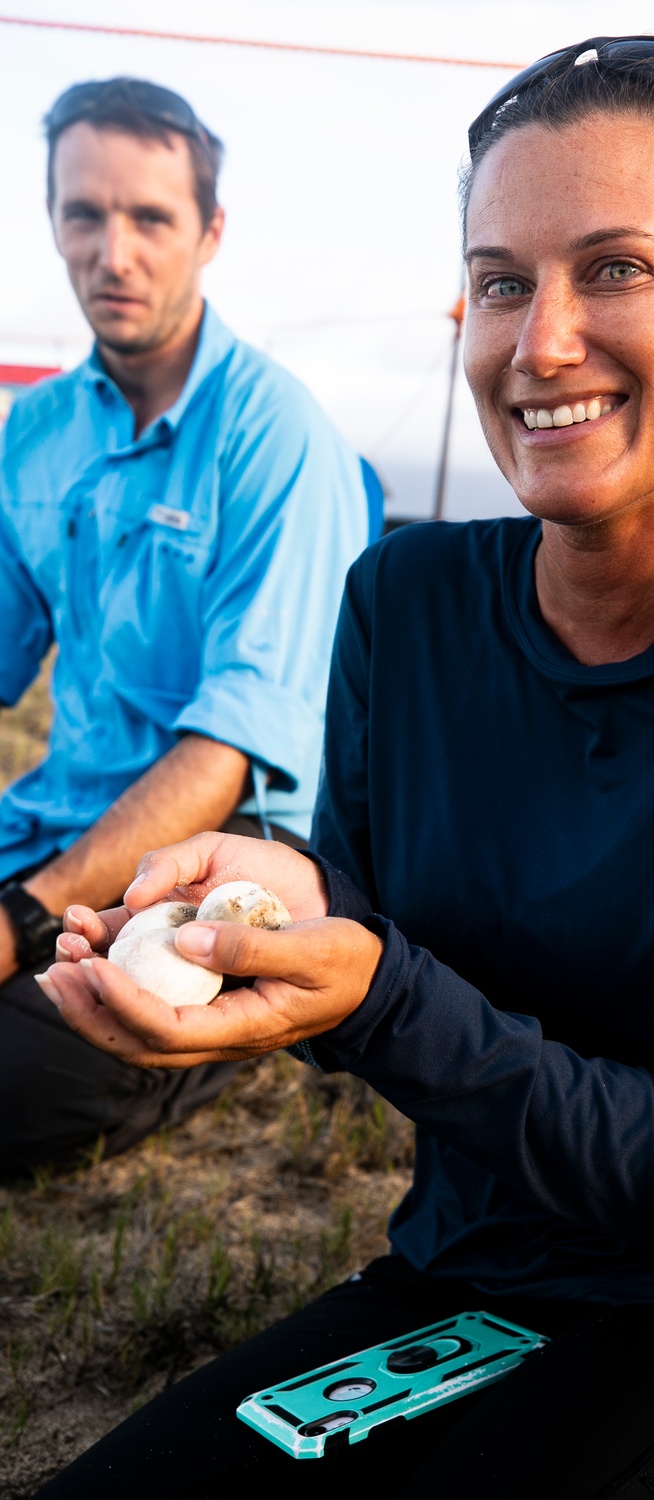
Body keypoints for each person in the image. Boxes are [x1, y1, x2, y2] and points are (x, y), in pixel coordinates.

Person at [39, 37, 654, 1499]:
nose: (539, 341)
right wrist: (258, 907)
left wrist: (384, 998)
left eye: (615, 268)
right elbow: (360, 905)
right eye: (497, 280)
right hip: (463, 1277)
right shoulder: (401, 608)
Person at [0, 77, 370, 1175]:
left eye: (150, 217)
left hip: (214, 868)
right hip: (59, 827)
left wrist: (17, 922)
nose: (114, 251)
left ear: (209, 233)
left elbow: (227, 751)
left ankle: (219, 1036)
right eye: (84, 214)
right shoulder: (39, 430)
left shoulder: (279, 439)